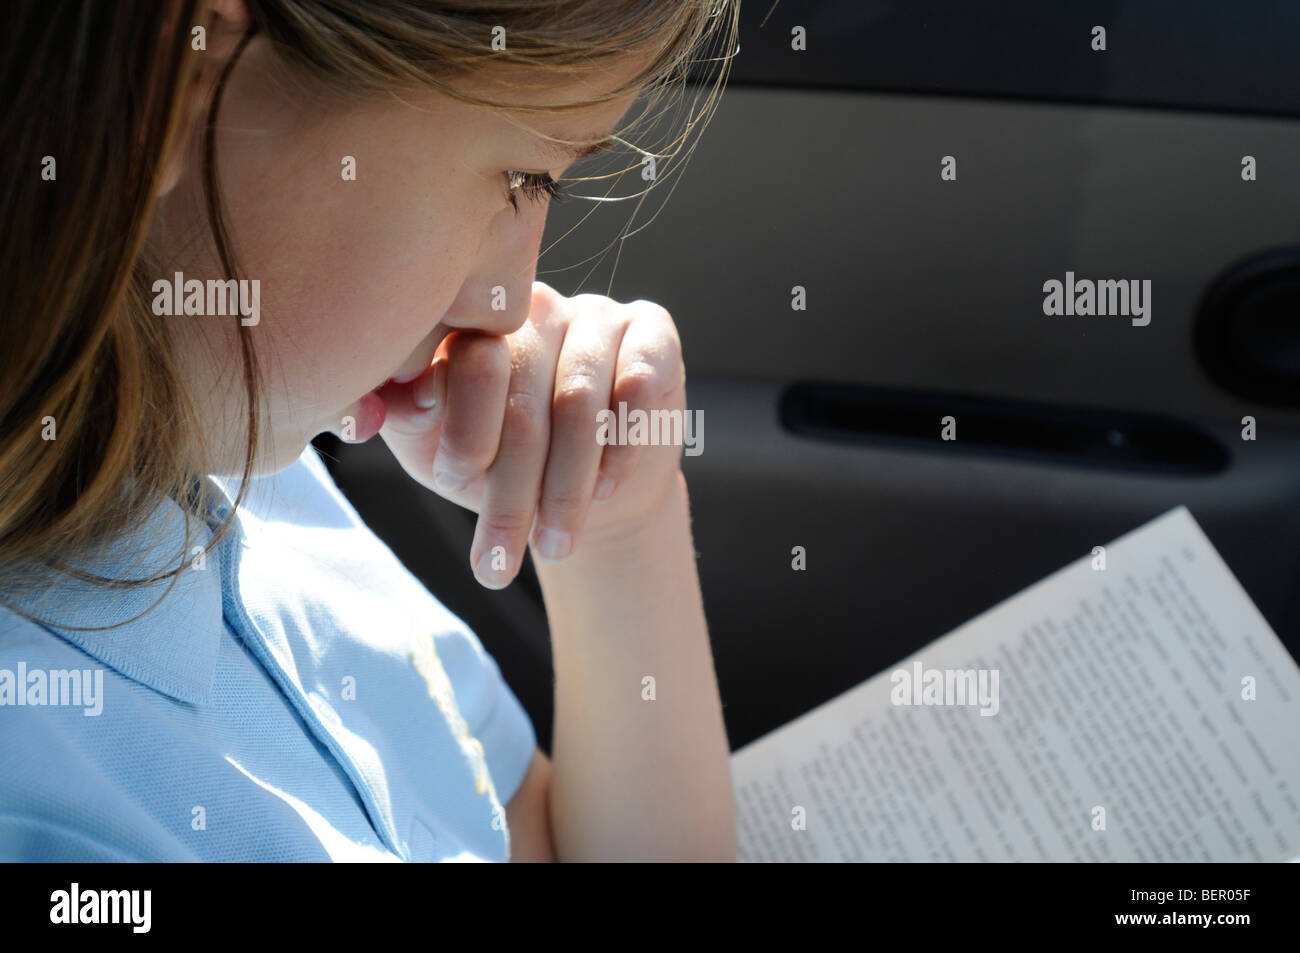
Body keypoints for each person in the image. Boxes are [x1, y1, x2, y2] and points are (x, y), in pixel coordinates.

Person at [0, 0, 738, 862]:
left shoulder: (268, 487)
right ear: (171, 91)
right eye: (521, 180)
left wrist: (613, 529)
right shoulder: (55, 810)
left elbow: (536, 836)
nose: (507, 302)